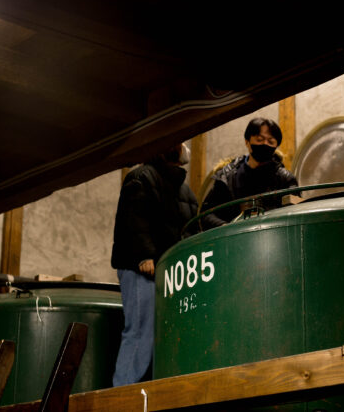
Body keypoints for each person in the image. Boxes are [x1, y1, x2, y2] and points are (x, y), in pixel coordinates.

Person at [110, 142, 197, 386]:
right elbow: (135, 219)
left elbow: (188, 229)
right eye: (178, 142)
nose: (182, 147)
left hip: (169, 271)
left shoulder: (184, 190)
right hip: (141, 268)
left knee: (159, 335)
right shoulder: (141, 177)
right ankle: (123, 397)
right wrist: (145, 256)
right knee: (140, 332)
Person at [200, 117, 298, 230]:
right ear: (247, 142)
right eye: (259, 139)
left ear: (276, 146)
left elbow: (294, 214)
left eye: (270, 141)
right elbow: (207, 213)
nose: (265, 144)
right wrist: (226, 227)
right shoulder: (227, 177)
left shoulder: (286, 179)